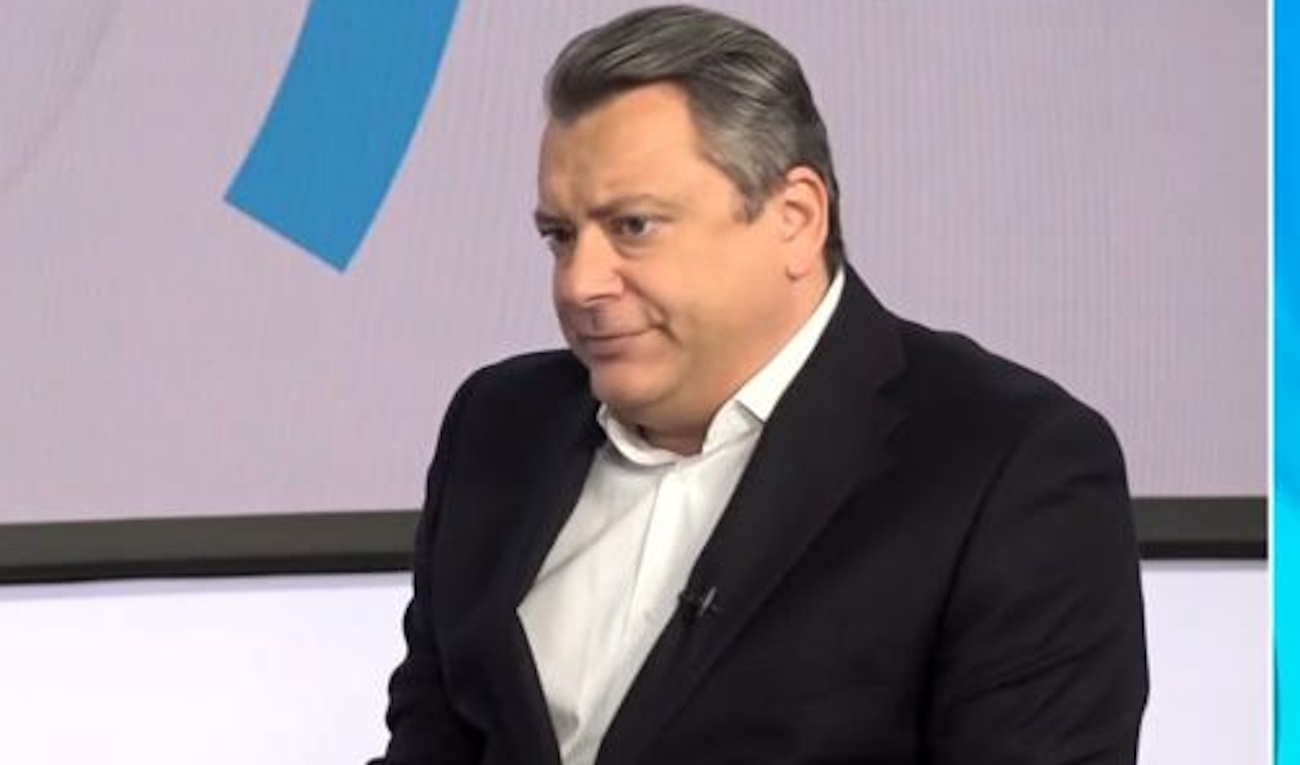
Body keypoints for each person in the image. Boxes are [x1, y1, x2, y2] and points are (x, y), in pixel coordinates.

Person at [371, 5, 1148, 764]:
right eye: (561, 236)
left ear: (796, 218)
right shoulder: (498, 425)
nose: (580, 282)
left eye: (633, 226)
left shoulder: (1010, 465)